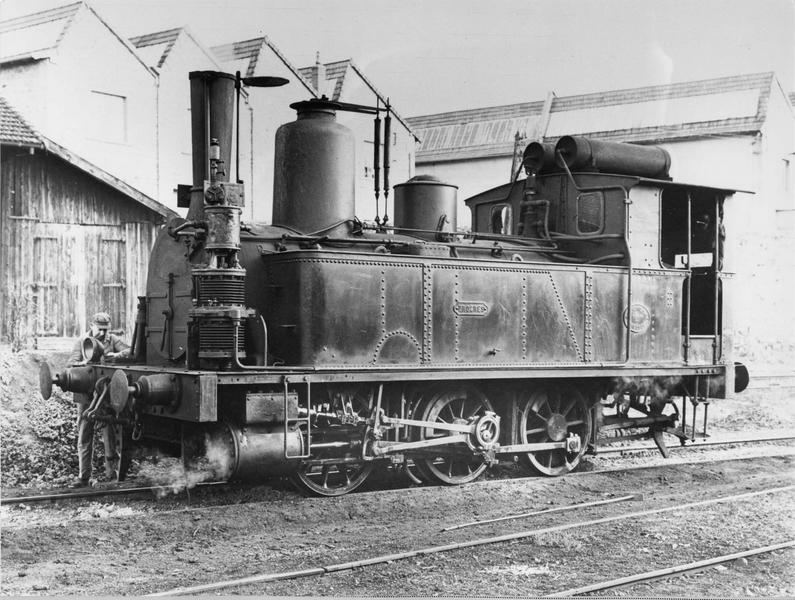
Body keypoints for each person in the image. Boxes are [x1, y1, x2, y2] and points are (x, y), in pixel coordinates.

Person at [67, 312, 131, 487]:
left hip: (107, 395)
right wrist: (83, 365)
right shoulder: (81, 342)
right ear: (92, 325)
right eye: (100, 329)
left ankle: (112, 475)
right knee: (84, 433)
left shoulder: (113, 340)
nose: (103, 334)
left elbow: (131, 350)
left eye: (106, 330)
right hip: (86, 395)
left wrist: (117, 356)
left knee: (110, 434)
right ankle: (84, 476)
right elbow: (70, 366)